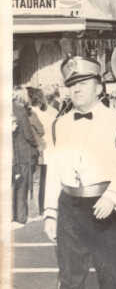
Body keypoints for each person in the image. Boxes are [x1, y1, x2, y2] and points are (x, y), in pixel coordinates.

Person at [43, 56, 116, 289]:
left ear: (99, 87)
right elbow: (54, 170)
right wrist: (50, 213)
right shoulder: (59, 125)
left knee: (109, 273)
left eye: (83, 82)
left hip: (104, 206)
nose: (76, 89)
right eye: (72, 84)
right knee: (70, 277)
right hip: (70, 207)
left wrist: (112, 197)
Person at [27, 86, 57, 216]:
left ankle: (37, 209)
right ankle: (44, 207)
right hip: (49, 148)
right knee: (45, 180)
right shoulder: (51, 112)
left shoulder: (31, 113)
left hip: (40, 149)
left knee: (36, 181)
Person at [12, 89, 39, 224]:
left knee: (12, 185)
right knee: (22, 185)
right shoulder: (20, 110)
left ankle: (12, 215)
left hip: (12, 152)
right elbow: (28, 134)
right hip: (23, 152)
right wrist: (35, 145)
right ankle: (21, 216)